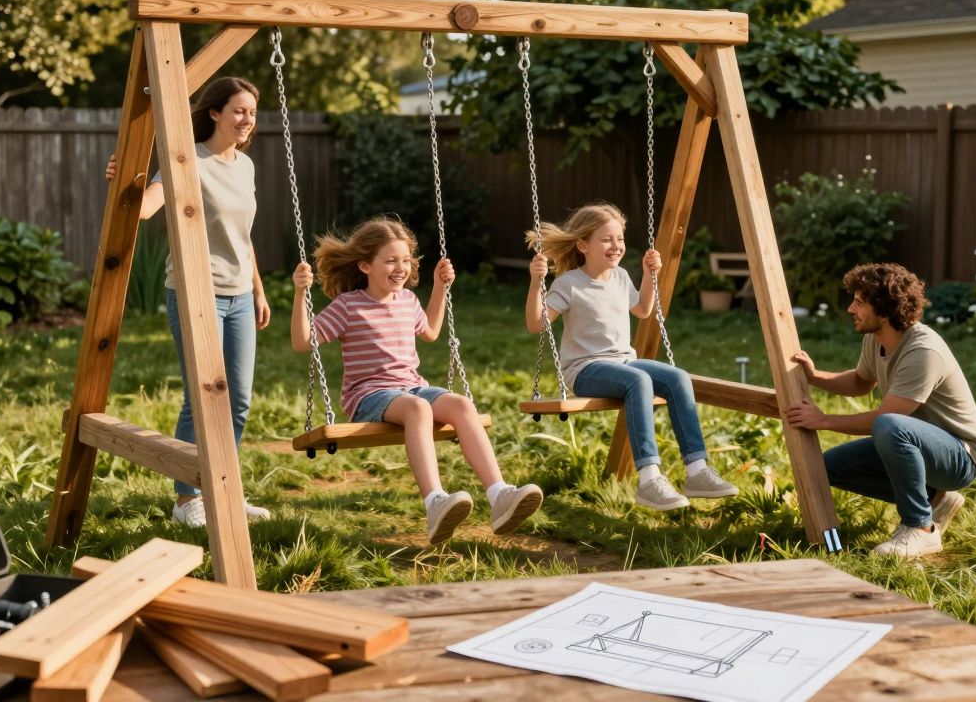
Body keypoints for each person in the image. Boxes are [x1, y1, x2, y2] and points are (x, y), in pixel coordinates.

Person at [290, 217, 543, 544]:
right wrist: (300, 294)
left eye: (406, 260)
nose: (400, 268)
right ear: (365, 266)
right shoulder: (348, 306)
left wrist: (439, 287)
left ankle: (499, 495)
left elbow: (431, 332)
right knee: (418, 409)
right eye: (390, 261)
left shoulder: (408, 300)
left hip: (411, 387)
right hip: (368, 396)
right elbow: (303, 342)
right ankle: (435, 501)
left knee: (461, 404)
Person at [104, 76, 272, 528]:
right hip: (195, 291)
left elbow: (243, 236)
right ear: (215, 113)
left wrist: (258, 289)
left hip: (240, 296)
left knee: (238, 400)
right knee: (202, 396)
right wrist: (124, 180)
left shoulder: (245, 166)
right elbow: (144, 208)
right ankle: (187, 499)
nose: (247, 119)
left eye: (252, 112)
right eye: (239, 110)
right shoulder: (187, 160)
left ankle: (224, 491)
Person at [524, 202, 738, 511]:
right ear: (583, 245)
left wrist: (651, 274)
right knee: (638, 381)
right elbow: (536, 324)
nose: (616, 246)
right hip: (585, 369)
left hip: (624, 362)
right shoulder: (569, 283)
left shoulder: (621, 276)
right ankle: (649, 480)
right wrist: (536, 281)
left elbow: (642, 310)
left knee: (678, 378)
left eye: (620, 239)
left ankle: (697, 471)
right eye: (606, 239)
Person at [784, 263, 976, 558]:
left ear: (883, 310)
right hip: (917, 444)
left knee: (889, 426)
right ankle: (934, 498)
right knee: (827, 467)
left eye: (859, 302)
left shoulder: (923, 352)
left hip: (960, 456)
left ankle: (920, 529)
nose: (850, 309)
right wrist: (816, 377)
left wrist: (823, 420)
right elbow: (860, 382)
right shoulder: (876, 338)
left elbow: (885, 419)